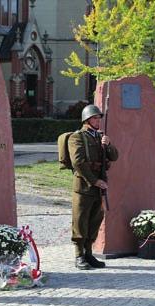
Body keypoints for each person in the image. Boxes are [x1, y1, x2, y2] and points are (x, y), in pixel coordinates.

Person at [68, 104, 118, 270]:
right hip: (84, 186)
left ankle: (89, 254)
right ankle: (78, 255)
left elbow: (114, 156)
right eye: (95, 118)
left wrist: (108, 144)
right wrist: (94, 181)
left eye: (99, 118)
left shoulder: (99, 137)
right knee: (80, 221)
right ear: (87, 119)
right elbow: (78, 163)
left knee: (95, 221)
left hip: (99, 187)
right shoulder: (77, 137)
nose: (98, 121)